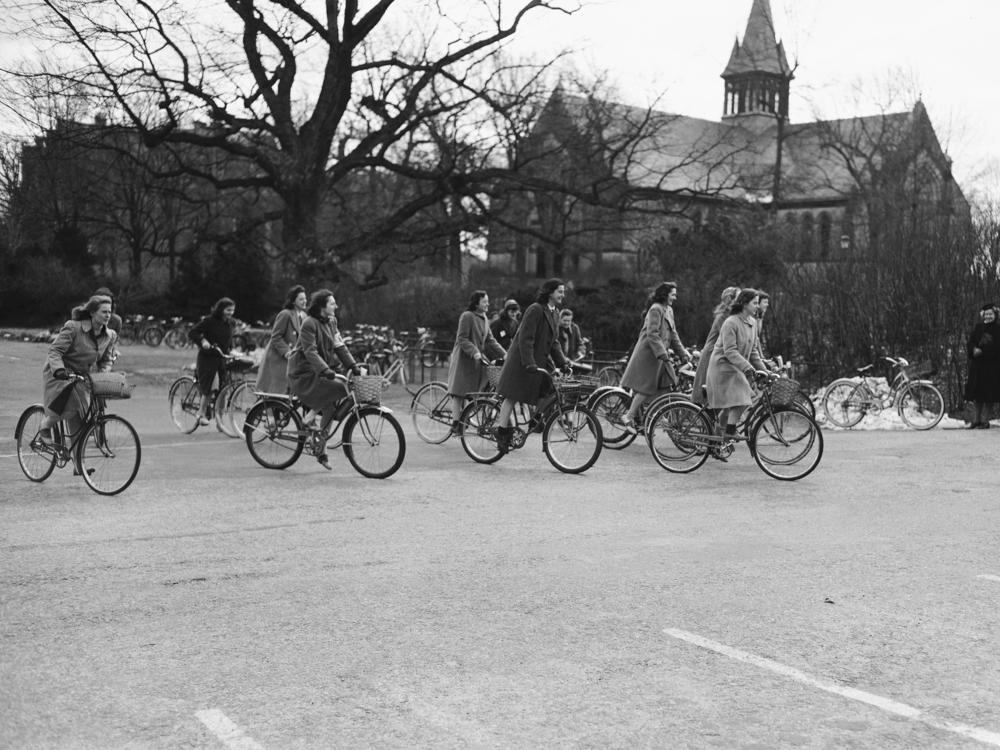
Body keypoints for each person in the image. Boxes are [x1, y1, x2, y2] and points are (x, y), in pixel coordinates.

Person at [36, 295, 118, 469]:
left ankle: (79, 466)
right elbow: (55, 351)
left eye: (110, 312)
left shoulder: (110, 335)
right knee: (73, 403)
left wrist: (103, 374)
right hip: (59, 373)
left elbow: (106, 360)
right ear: (93, 312)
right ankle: (46, 425)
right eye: (104, 311)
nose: (108, 315)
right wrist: (58, 369)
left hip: (82, 376)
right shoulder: (73, 328)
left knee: (81, 420)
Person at [286, 289, 363, 469]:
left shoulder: (332, 321)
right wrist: (326, 369)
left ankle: (321, 449)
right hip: (303, 371)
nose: (336, 306)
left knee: (331, 408)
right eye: (332, 303)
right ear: (322, 306)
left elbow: (339, 345)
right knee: (340, 387)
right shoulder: (309, 324)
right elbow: (310, 351)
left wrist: (353, 365)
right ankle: (311, 415)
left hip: (320, 370)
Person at [494, 279, 571, 452]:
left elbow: (554, 342)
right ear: (550, 292)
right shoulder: (535, 309)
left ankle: (536, 420)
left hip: (538, 361)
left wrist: (563, 363)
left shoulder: (555, 312)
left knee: (550, 388)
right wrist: (529, 362)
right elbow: (525, 338)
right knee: (511, 396)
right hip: (522, 361)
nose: (562, 295)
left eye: (563, 291)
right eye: (560, 291)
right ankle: (501, 432)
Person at [619, 281, 693, 432]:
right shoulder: (655, 309)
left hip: (660, 356)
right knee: (646, 387)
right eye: (673, 294)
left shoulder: (669, 310)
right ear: (665, 295)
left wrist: (683, 352)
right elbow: (652, 334)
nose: (675, 297)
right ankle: (629, 416)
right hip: (648, 355)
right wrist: (663, 354)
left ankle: (654, 416)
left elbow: (673, 334)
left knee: (664, 386)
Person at [705, 288, 768, 457]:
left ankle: (718, 438)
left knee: (733, 404)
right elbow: (730, 351)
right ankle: (730, 430)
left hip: (736, 367)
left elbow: (754, 352)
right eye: (754, 303)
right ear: (744, 303)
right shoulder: (731, 322)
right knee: (744, 396)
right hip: (722, 366)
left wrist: (765, 371)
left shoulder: (752, 323)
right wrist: (748, 368)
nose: (757, 306)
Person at [446, 291, 507, 435]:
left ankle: (464, 417)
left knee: (471, 392)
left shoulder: (485, 318)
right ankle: (456, 423)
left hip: (476, 360)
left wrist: (505, 353)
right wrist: (474, 351)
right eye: (484, 302)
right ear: (476, 303)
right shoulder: (467, 316)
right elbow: (462, 339)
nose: (487, 304)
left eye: (488, 301)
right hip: (463, 359)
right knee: (458, 393)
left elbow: (490, 340)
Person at [188, 297, 236, 426]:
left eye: (232, 310)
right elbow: (192, 332)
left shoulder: (231, 323)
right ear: (220, 309)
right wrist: (203, 341)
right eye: (228, 310)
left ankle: (220, 420)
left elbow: (229, 340)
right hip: (207, 359)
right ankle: (201, 413)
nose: (230, 313)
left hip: (221, 359)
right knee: (211, 388)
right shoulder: (209, 321)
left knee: (223, 389)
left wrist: (231, 350)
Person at [692, 286, 741, 405]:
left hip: (719, 354)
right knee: (709, 394)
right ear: (731, 300)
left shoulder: (730, 316)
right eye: (739, 298)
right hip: (711, 355)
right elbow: (728, 338)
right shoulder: (723, 317)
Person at [255, 285, 307, 395]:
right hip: (278, 358)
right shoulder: (285, 314)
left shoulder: (302, 316)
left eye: (305, 298)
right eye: (301, 299)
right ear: (293, 301)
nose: (304, 301)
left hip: (291, 360)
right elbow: (276, 336)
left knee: (285, 393)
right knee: (276, 392)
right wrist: (287, 352)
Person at [964, 302, 1000, 428]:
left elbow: (997, 347)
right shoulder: (978, 327)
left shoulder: (997, 329)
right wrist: (973, 349)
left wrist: (983, 352)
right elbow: (971, 342)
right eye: (986, 314)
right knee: (977, 394)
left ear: (995, 315)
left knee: (989, 395)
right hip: (977, 366)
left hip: (991, 367)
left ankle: (985, 421)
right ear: (983, 315)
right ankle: (976, 420)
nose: (989, 316)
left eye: (991, 314)